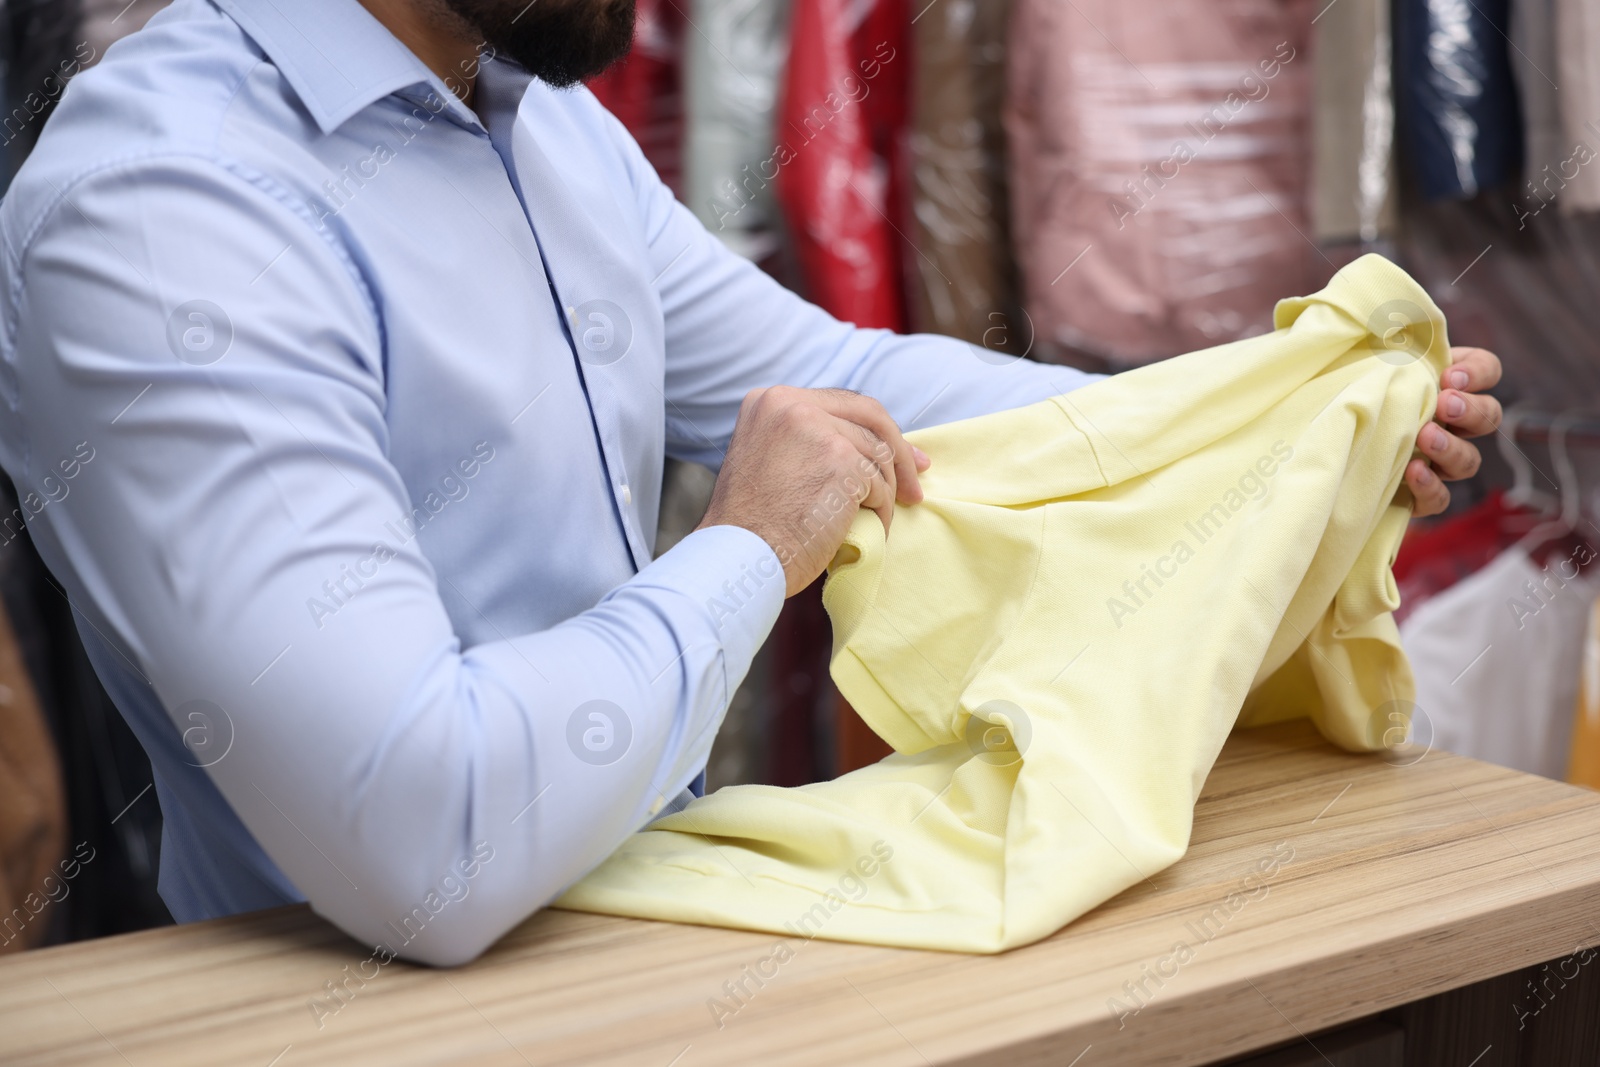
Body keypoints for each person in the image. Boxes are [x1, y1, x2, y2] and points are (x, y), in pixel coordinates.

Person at [0, 0, 1502, 965]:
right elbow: (420, 841)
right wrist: (743, 553)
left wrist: (1283, 425)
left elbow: (855, 379)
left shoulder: (539, 120)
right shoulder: (164, 210)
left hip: (656, 954)